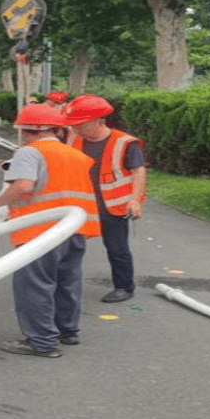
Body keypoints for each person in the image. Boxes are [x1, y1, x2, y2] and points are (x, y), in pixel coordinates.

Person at [0, 104, 99, 357]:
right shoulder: (75, 155)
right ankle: (67, 331)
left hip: (39, 231)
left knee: (35, 285)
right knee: (67, 281)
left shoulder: (30, 152)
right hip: (73, 230)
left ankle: (41, 341)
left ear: (26, 130)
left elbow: (24, 187)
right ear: (57, 129)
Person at [64, 94, 147, 303]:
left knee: (117, 249)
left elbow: (138, 171)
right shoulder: (73, 139)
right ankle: (64, 286)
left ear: (99, 121)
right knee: (69, 248)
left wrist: (135, 200)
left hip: (112, 207)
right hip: (80, 205)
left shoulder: (125, 143)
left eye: (80, 125)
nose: (76, 129)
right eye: (74, 125)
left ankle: (124, 287)